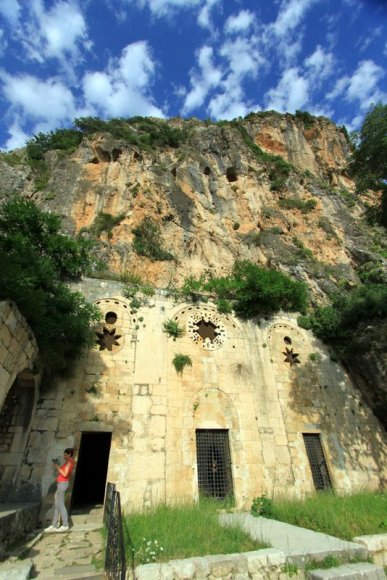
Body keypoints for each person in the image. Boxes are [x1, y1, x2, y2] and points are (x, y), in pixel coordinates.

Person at [45, 448, 75, 532]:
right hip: (60, 484)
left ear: (69, 454)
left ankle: (65, 524)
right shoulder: (67, 462)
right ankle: (54, 525)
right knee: (57, 505)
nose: (64, 456)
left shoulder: (70, 462)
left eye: (65, 454)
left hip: (63, 484)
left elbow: (65, 474)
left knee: (60, 504)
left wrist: (58, 467)